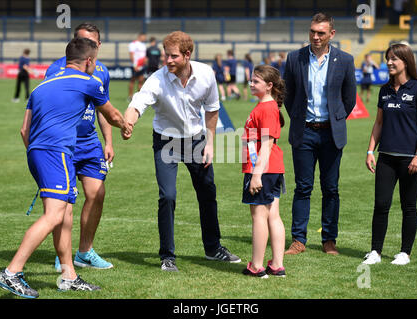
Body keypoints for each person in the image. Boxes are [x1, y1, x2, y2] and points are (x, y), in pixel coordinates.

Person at [0, 37, 132, 298]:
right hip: (57, 152)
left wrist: (41, 158)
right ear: (89, 61)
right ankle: (11, 272)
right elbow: (112, 115)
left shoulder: (41, 86)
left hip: (37, 151)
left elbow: (24, 129)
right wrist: (125, 125)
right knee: (55, 215)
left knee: (63, 213)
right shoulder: (89, 81)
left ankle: (68, 275)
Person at [124, 31, 240, 272]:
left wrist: (209, 145)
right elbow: (138, 103)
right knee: (168, 196)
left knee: (208, 192)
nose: (168, 60)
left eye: (173, 56)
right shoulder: (157, 79)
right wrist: (129, 122)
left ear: (187, 55)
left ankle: (213, 248)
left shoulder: (206, 74)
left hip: (197, 141)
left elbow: (212, 110)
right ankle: (167, 257)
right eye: (167, 55)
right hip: (166, 142)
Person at [283, 13, 356, 256]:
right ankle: (298, 240)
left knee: (331, 188)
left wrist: (334, 120)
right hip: (303, 133)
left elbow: (349, 99)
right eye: (312, 31)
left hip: (331, 135)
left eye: (321, 33)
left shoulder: (345, 60)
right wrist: (299, 119)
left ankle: (329, 240)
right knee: (303, 187)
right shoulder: (295, 58)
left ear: (331, 34)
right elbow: (288, 95)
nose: (315, 36)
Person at [45, 23, 115, 271]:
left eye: (92, 43)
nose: (87, 46)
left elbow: (102, 109)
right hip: (64, 143)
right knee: (64, 202)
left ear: (98, 46)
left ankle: (84, 252)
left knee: (97, 193)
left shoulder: (102, 72)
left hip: (90, 143)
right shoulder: (56, 68)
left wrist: (108, 141)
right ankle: (62, 254)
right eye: (82, 40)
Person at [363, 43, 417, 266]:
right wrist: (370, 150)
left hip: (411, 159)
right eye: (387, 58)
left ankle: (405, 253)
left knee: (408, 205)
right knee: (381, 204)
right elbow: (379, 123)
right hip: (386, 158)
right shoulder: (384, 90)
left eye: (394, 59)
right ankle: (375, 251)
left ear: (405, 61)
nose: (389, 62)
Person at [241, 65, 286, 278]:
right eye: (251, 80)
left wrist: (256, 174)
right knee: (272, 215)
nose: (251, 84)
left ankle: (257, 266)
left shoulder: (267, 108)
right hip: (271, 167)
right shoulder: (266, 106)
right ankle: (276, 265)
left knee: (259, 215)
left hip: (263, 169)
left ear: (269, 86)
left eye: (256, 81)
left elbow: (267, 145)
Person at [128, 33, 147, 101]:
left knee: (141, 80)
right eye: (144, 37)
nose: (145, 38)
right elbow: (131, 55)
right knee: (132, 80)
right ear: (140, 36)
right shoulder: (133, 44)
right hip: (135, 65)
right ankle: (130, 96)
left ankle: (139, 96)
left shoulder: (144, 45)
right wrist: (134, 65)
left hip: (142, 66)